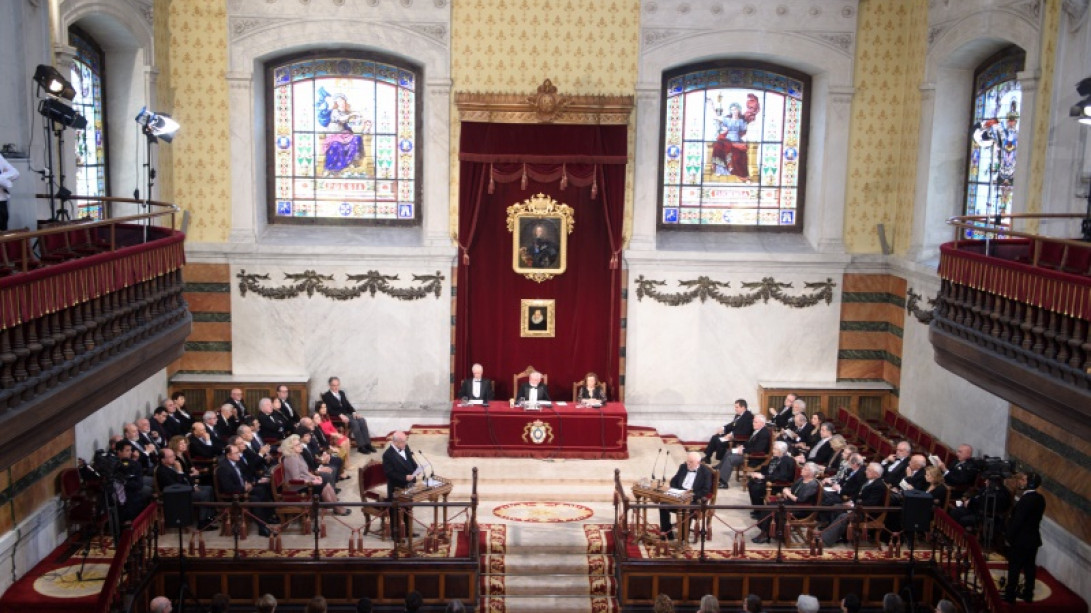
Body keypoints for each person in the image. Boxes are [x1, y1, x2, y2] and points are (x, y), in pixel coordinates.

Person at [821, 462, 888, 547]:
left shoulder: (879, 486)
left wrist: (853, 506)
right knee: (836, 507)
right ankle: (838, 535)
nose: (866, 471)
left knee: (844, 517)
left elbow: (871, 503)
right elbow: (858, 494)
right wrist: (851, 501)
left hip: (867, 513)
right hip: (858, 507)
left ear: (876, 474)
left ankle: (824, 540)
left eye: (869, 470)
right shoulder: (868, 481)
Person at [280, 435, 349, 515]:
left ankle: (336, 506)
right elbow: (296, 479)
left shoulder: (298, 455)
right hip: (298, 488)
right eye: (297, 445)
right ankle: (336, 508)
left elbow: (305, 472)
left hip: (305, 483)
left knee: (327, 484)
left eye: (300, 443)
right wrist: (312, 481)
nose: (301, 446)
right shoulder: (291, 459)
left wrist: (315, 477)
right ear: (290, 448)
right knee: (323, 486)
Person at [752, 462, 820, 544]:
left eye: (805, 469)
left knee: (775, 511)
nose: (802, 470)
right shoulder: (801, 479)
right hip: (791, 503)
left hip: (800, 509)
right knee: (769, 506)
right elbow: (792, 489)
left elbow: (800, 500)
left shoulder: (812, 485)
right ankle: (765, 532)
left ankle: (766, 534)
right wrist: (786, 490)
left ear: (811, 473)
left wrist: (788, 494)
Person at [215, 443, 275, 533]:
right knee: (255, 499)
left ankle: (267, 517)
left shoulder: (237, 462)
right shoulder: (223, 468)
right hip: (234, 495)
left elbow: (245, 474)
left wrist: (250, 483)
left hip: (244, 489)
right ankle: (262, 527)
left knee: (263, 488)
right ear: (228, 455)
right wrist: (244, 489)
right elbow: (228, 488)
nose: (239, 454)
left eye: (238, 452)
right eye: (236, 453)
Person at [1005, 472, 1045, 603]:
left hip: (1020, 540)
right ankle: (1028, 594)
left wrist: (1009, 537)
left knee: (1014, 567)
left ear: (1029, 483)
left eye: (1024, 480)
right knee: (1029, 567)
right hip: (1033, 539)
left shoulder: (1025, 500)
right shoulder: (1040, 499)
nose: (1021, 482)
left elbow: (1017, 521)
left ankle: (1010, 596)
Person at [155, 448, 216, 530]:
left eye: (174, 455)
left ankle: (209, 517)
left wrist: (193, 485)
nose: (174, 458)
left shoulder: (173, 466)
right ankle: (202, 522)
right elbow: (175, 486)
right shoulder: (162, 471)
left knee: (209, 488)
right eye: (170, 456)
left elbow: (186, 477)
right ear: (163, 460)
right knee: (203, 494)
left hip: (186, 488)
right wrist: (180, 472)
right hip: (177, 494)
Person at [658, 452, 713, 541]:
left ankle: (683, 537)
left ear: (698, 462)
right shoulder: (683, 467)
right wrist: (678, 491)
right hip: (679, 495)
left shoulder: (705, 472)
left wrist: (691, 495)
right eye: (687, 461)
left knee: (686, 508)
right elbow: (673, 481)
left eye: (691, 462)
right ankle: (667, 533)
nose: (688, 463)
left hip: (693, 499)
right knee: (663, 504)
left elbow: (705, 490)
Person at [708, 93, 759, 180]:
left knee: (739, 154)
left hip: (737, 141)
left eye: (735, 110)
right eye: (732, 110)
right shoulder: (727, 119)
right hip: (727, 139)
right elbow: (715, 117)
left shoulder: (742, 121)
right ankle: (721, 171)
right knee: (718, 146)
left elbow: (745, 133)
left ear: (738, 110)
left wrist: (746, 140)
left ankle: (733, 171)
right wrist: (711, 105)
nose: (733, 111)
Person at [383, 430, 421, 540]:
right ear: (396, 442)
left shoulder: (406, 447)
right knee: (397, 510)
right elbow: (389, 473)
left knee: (408, 508)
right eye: (404, 441)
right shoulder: (387, 455)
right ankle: (397, 535)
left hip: (409, 484)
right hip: (397, 487)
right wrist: (404, 477)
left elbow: (411, 461)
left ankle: (408, 530)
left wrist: (416, 469)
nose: (406, 443)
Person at [322, 377, 375, 454]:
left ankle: (367, 444)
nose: (336, 387)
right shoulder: (326, 396)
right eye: (334, 385)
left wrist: (354, 412)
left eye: (337, 385)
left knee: (362, 420)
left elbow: (347, 405)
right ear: (329, 386)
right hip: (337, 418)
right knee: (355, 423)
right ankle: (361, 446)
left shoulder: (341, 393)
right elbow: (329, 410)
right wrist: (339, 415)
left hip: (348, 415)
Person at [718, 413, 771, 489]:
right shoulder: (757, 430)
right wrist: (742, 446)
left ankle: (723, 482)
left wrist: (743, 451)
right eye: (753, 421)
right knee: (729, 452)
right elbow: (749, 442)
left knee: (730, 459)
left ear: (762, 423)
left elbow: (758, 449)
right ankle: (718, 475)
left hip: (753, 458)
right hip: (748, 452)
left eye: (755, 422)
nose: (753, 423)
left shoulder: (764, 434)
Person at [746, 441, 796, 510]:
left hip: (777, 485)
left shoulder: (787, 461)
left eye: (775, 449)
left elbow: (782, 477)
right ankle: (757, 509)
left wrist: (763, 477)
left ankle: (760, 511)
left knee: (756, 488)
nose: (773, 451)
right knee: (751, 483)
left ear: (781, 451)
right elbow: (767, 470)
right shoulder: (775, 458)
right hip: (769, 480)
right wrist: (757, 473)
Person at [703, 399, 754, 465]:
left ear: (743, 407)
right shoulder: (738, 415)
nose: (735, 409)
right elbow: (732, 425)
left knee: (719, 441)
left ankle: (722, 462)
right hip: (731, 436)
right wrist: (723, 428)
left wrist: (732, 434)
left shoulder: (748, 416)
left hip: (738, 440)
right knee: (715, 437)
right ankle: (707, 457)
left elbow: (745, 431)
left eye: (737, 407)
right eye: (735, 407)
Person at [0, 151, 20, 231]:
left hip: (2, 202)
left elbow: (15, 173)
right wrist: (6, 181)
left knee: (4, 233)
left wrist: (2, 178)